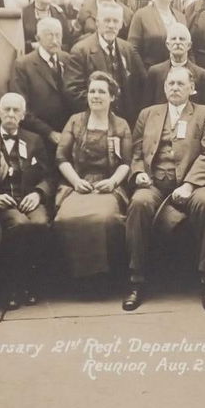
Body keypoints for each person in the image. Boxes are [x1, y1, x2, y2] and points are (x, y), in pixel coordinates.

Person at [125, 63, 205, 311]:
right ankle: (137, 280)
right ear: (164, 87)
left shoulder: (204, 113)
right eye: (171, 83)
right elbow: (136, 151)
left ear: (192, 88)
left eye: (181, 84)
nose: (175, 88)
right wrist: (138, 173)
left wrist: (190, 185)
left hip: (192, 182)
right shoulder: (148, 114)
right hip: (155, 182)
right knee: (139, 203)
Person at [54, 71, 133, 285]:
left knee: (105, 219)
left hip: (107, 185)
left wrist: (113, 182)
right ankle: (77, 280)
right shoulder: (75, 121)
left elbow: (127, 161)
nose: (95, 96)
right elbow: (61, 156)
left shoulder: (121, 125)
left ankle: (105, 279)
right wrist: (76, 181)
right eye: (92, 91)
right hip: (78, 184)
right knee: (65, 219)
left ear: (112, 97)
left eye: (101, 92)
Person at [0, 93, 54, 308]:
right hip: (2, 200)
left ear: (22, 116)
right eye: (7, 109)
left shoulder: (34, 140)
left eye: (16, 110)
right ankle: (12, 286)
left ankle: (31, 284)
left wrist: (38, 193)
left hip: (28, 197)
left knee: (39, 223)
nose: (11, 114)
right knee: (18, 225)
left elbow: (48, 175)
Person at [66, 0, 146, 122]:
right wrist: (103, 110)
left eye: (115, 21)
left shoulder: (127, 49)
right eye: (107, 20)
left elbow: (140, 84)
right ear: (97, 22)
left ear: (121, 24)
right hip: (94, 120)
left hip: (126, 121)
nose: (111, 25)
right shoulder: (81, 51)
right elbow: (73, 92)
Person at [10, 15, 74, 150]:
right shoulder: (23, 65)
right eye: (49, 35)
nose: (55, 40)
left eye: (58, 35)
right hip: (37, 137)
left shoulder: (67, 59)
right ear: (38, 38)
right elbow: (21, 107)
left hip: (68, 134)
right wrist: (48, 132)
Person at [145, 22, 205, 108]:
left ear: (189, 45)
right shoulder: (155, 72)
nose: (177, 42)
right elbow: (147, 108)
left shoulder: (201, 75)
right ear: (167, 44)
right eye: (174, 39)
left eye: (182, 39)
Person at [126, 0, 185, 66]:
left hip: (176, 75)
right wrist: (144, 76)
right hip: (148, 74)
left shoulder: (181, 17)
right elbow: (132, 50)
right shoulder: (141, 15)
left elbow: (187, 48)